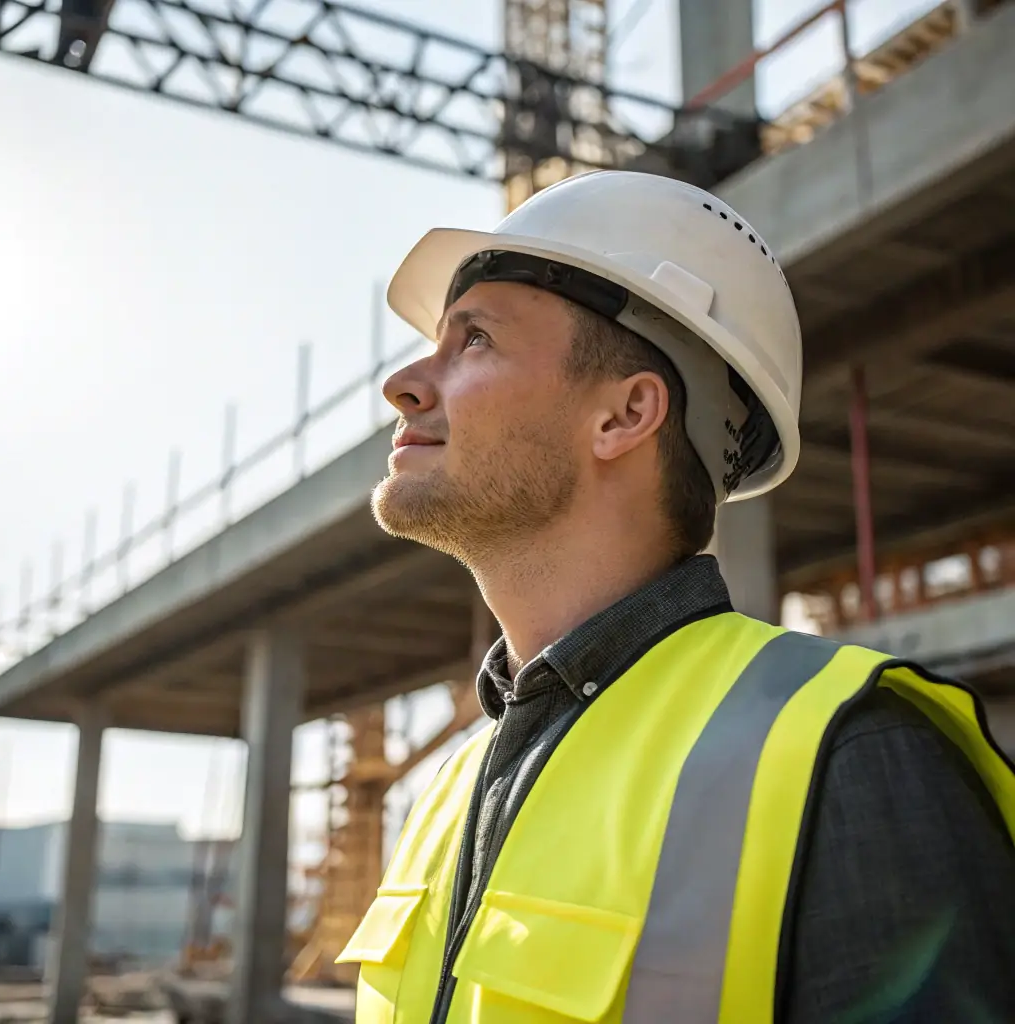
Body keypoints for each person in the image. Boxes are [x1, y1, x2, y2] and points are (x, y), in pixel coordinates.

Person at [338, 170, 1015, 1023]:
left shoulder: (846, 758)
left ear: (625, 415)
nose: (404, 381)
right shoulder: (450, 792)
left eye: (473, 340)